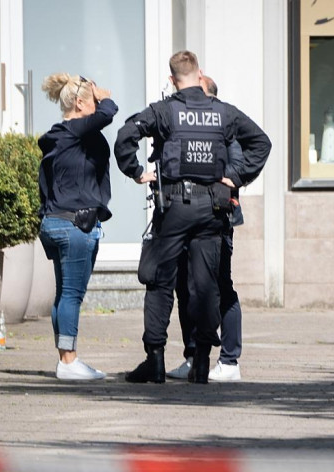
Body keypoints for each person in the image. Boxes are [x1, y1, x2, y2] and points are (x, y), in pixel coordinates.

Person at [114, 50, 271, 384]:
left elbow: (126, 135)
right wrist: (237, 177)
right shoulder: (223, 113)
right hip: (211, 209)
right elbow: (261, 142)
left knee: (160, 282)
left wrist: (138, 172)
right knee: (205, 285)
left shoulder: (164, 110)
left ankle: (155, 360)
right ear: (199, 75)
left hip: (173, 206)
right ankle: (201, 362)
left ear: (172, 79)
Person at [38, 73, 118, 381]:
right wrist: (105, 96)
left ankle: (66, 358)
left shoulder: (57, 136)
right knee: (72, 294)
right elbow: (109, 113)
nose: (99, 106)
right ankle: (69, 362)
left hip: (54, 222)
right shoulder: (76, 130)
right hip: (75, 224)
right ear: (81, 103)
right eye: (94, 102)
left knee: (63, 294)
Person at [167, 75, 245, 382]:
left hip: (218, 219)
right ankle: (192, 354)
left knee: (220, 286)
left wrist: (230, 179)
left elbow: (239, 164)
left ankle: (229, 360)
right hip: (187, 214)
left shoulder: (225, 126)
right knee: (187, 288)